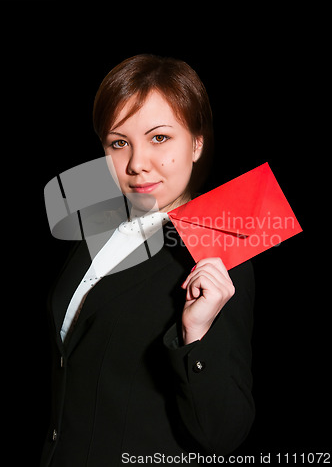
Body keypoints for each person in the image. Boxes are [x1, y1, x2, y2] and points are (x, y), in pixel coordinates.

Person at [40, 55, 255, 467]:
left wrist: (197, 332)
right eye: (119, 142)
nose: (137, 164)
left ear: (196, 143)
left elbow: (223, 435)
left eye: (159, 138)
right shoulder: (98, 221)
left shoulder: (218, 250)